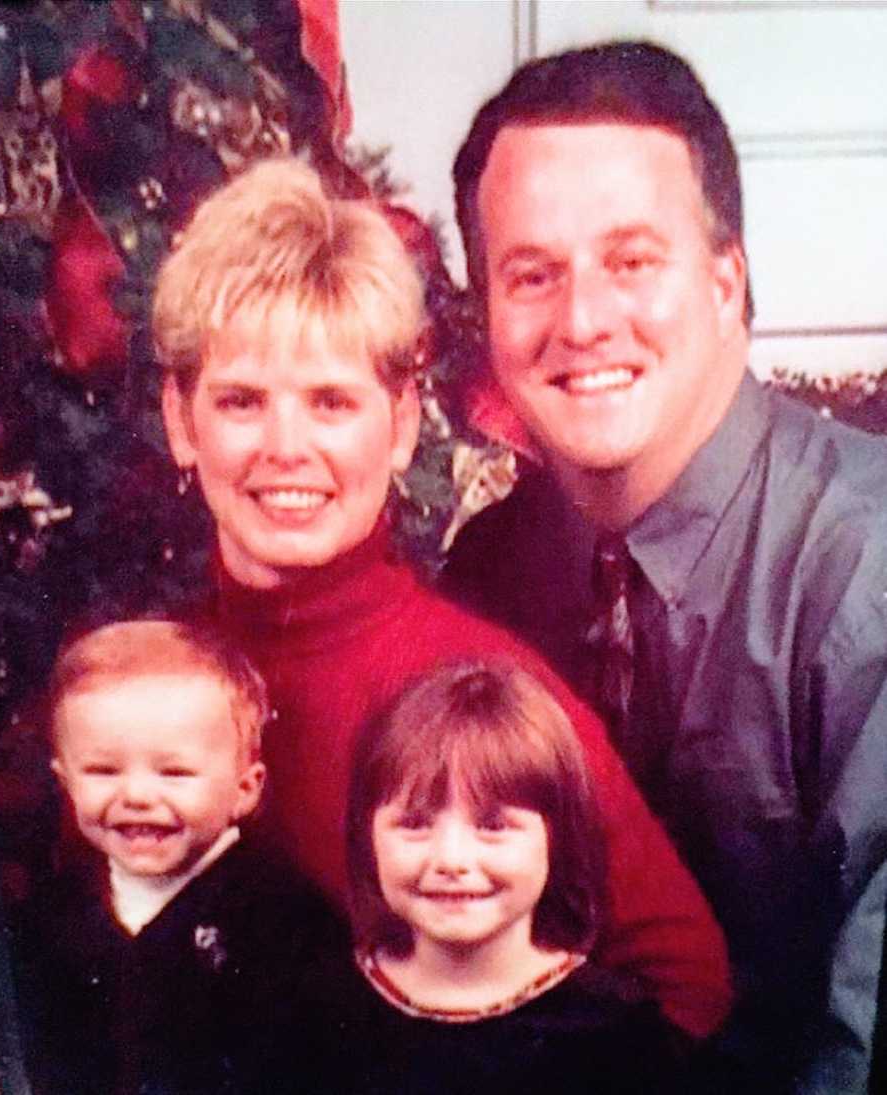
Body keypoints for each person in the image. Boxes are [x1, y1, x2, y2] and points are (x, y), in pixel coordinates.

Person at [152, 154, 732, 1041]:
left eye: (331, 402)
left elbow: (689, 980)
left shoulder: (475, 683)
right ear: (180, 422)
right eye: (240, 401)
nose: (285, 447)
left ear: (403, 427)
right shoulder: (147, 684)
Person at [443, 40, 887, 1094]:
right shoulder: (488, 574)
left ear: (728, 282)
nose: (584, 320)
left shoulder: (866, 568)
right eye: (532, 274)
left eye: (632, 260)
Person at [10, 619, 349, 1095]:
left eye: (174, 772)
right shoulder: (54, 911)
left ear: (245, 788)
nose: (137, 795)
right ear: (65, 781)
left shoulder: (286, 920)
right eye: (103, 771)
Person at [340, 659, 686, 1095]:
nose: (451, 859)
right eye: (414, 824)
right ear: (367, 834)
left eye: (493, 826)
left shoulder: (616, 1035)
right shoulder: (327, 1013)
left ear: (556, 835)